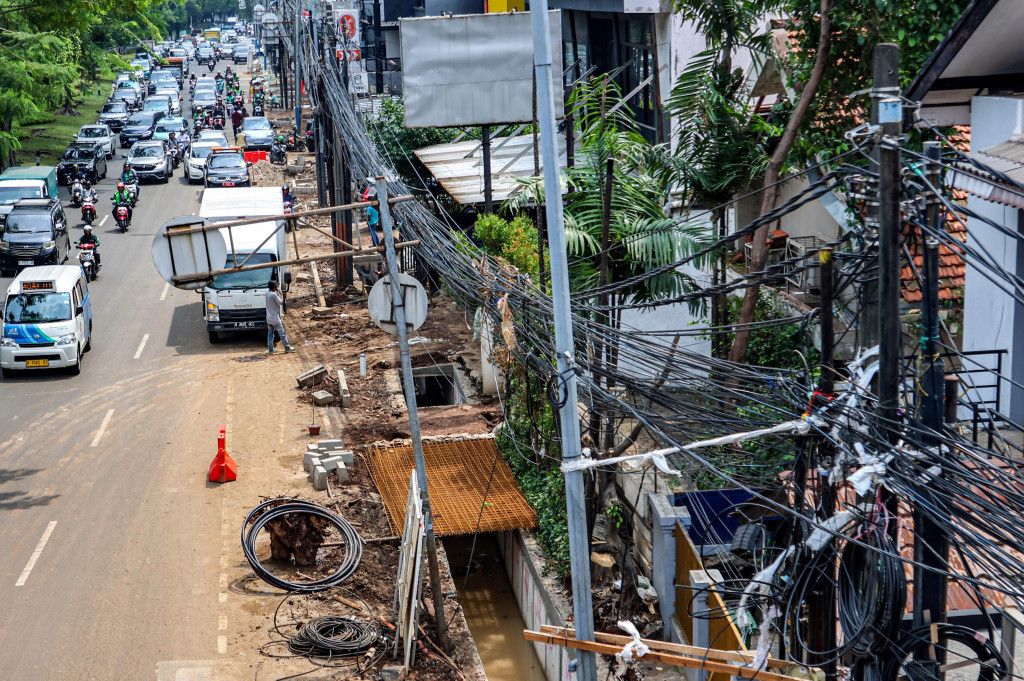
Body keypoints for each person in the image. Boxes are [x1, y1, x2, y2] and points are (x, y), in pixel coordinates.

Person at [265, 280, 295, 354]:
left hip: (269, 318)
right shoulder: (273, 295)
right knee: (281, 333)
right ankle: (287, 347)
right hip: (275, 318)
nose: (277, 285)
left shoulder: (267, 293)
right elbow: (281, 302)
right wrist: (281, 294)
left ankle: (271, 349)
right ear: (274, 287)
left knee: (270, 334)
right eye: (276, 285)